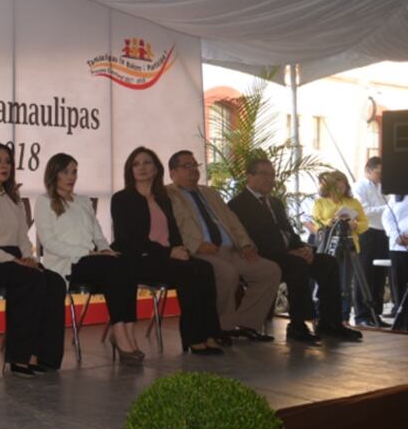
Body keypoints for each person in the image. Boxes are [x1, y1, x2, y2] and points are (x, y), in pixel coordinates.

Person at [0, 142, 66, 376]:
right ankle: (18, 357)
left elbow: (22, 237)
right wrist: (11, 260)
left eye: (7, 161)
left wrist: (29, 258)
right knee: (29, 280)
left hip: (15, 260)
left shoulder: (14, 199)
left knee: (55, 281)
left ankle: (46, 356)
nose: (4, 165)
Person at [228, 158, 362, 343]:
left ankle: (330, 322)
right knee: (296, 265)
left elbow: (289, 233)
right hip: (264, 257)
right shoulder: (238, 205)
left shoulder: (275, 203)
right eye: (264, 174)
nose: (270, 179)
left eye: (272, 175)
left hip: (290, 253)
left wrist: (304, 249)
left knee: (327, 262)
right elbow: (250, 240)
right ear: (249, 176)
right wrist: (289, 254)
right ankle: (298, 325)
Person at [110, 147, 223, 355]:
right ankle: (193, 338)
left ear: (156, 169)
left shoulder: (163, 198)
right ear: (129, 170)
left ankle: (210, 333)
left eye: (147, 163)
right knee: (188, 273)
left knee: (204, 269)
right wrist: (168, 253)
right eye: (136, 164)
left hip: (167, 257)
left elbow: (174, 230)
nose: (142, 168)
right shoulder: (122, 199)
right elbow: (132, 239)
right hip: (139, 259)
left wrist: (180, 249)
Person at [35, 153, 142, 362]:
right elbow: (49, 242)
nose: (71, 177)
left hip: (91, 262)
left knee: (125, 264)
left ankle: (127, 330)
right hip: (65, 264)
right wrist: (88, 253)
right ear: (54, 173)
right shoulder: (45, 201)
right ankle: (119, 333)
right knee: (114, 268)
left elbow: (98, 234)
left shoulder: (83, 201)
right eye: (66, 172)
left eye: (74, 172)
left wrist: (105, 250)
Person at [165, 150, 280, 342]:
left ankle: (246, 324)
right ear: (172, 172)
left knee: (270, 270)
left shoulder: (209, 192)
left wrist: (245, 244)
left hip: (230, 250)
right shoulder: (168, 195)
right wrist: (196, 245)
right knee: (227, 273)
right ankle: (220, 328)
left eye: (195, 165)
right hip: (200, 252)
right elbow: (173, 227)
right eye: (187, 166)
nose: (193, 169)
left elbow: (232, 221)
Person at [312, 170, 372, 324]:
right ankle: (321, 315)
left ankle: (344, 318)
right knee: (325, 281)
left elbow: (365, 223)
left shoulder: (353, 203)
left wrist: (355, 224)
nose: (340, 189)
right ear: (329, 187)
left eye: (343, 186)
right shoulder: (320, 202)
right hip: (327, 247)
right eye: (336, 186)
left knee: (345, 284)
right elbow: (316, 221)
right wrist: (329, 222)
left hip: (349, 245)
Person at [352, 157, 390, 326]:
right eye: (378, 173)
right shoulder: (359, 187)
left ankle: (376, 315)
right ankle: (362, 315)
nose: (380, 176)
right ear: (368, 170)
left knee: (379, 275)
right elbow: (364, 211)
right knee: (365, 273)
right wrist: (387, 208)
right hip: (367, 233)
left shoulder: (382, 186)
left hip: (383, 233)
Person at [382, 195, 408, 321]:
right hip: (398, 246)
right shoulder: (397, 196)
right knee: (399, 282)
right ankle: (400, 313)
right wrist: (395, 235)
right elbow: (387, 217)